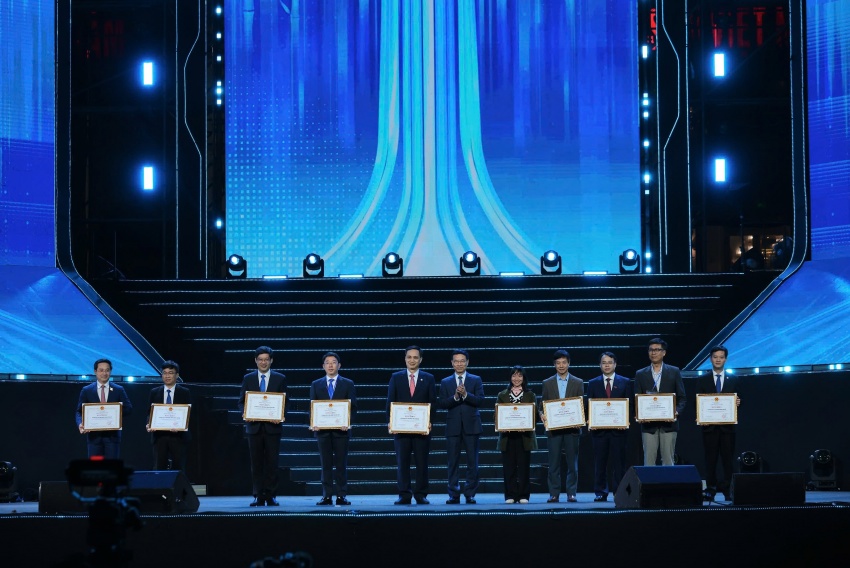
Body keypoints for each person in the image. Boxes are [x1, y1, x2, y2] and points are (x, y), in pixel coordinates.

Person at [238, 346, 288, 507]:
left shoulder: (280, 378)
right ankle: (258, 495)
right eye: (260, 359)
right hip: (254, 428)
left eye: (266, 359)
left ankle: (271, 495)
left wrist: (280, 416)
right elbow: (241, 402)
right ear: (256, 361)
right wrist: (245, 413)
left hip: (273, 428)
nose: (263, 362)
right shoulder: (248, 378)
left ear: (271, 361)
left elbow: (285, 402)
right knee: (256, 463)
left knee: (272, 463)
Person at [386, 345, 436, 505]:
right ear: (405, 359)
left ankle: (421, 494)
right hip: (401, 429)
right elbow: (390, 401)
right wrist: (391, 421)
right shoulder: (396, 377)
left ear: (420, 359)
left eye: (415, 357)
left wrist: (429, 421)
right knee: (402, 463)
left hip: (422, 429)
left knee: (422, 463)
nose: (412, 360)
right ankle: (404, 495)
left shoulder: (429, 378)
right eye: (409, 357)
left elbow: (432, 402)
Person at [309, 352, 357, 506]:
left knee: (341, 464)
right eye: (327, 362)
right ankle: (327, 496)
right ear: (323, 366)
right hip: (322, 431)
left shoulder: (348, 383)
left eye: (334, 362)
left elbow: (353, 407)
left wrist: (347, 422)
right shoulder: (316, 384)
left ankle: (341, 495)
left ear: (339, 365)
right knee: (326, 464)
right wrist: (314, 422)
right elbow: (312, 407)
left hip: (341, 431)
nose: (330, 365)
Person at [438, 349, 484, 504]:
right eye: (456, 361)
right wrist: (456, 397)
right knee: (452, 462)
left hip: (472, 426)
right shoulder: (445, 382)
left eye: (462, 361)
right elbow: (442, 403)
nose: (459, 364)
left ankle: (470, 493)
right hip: (453, 427)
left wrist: (465, 395)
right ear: (452, 363)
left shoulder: (475, 379)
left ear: (467, 362)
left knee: (472, 462)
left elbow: (480, 400)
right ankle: (454, 494)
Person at [586, 352, 632, 502]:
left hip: (619, 431)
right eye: (604, 362)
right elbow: (589, 405)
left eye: (610, 362)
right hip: (599, 432)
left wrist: (625, 420)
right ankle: (601, 492)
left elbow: (630, 405)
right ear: (600, 365)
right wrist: (590, 420)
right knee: (600, 463)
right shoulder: (593, 383)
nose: (607, 365)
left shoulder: (625, 382)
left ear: (615, 364)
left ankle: (620, 492)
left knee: (619, 463)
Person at [539, 349, 584, 503]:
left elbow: (580, 405)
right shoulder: (547, 383)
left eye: (564, 362)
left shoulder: (578, 382)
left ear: (569, 363)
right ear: (554, 365)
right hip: (554, 430)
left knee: (572, 464)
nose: (561, 365)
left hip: (572, 429)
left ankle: (572, 493)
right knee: (553, 464)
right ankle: (554, 493)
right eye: (558, 363)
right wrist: (542, 414)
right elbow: (542, 405)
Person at [634, 338, 686, 466]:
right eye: (651, 350)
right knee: (649, 462)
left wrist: (676, 412)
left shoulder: (674, 371)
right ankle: (649, 481)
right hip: (648, 426)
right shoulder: (640, 374)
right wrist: (638, 414)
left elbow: (682, 398)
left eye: (657, 350)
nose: (654, 353)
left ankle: (668, 481)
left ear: (664, 353)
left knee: (668, 460)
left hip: (669, 425)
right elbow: (637, 399)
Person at [698, 345, 741, 501]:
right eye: (715, 357)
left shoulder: (734, 379)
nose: (718, 360)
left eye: (721, 357)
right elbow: (698, 402)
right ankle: (710, 489)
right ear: (711, 359)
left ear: (725, 359)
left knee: (728, 460)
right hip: (709, 427)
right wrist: (701, 416)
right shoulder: (702, 379)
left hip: (728, 428)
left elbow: (740, 400)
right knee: (710, 460)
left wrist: (738, 402)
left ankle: (729, 489)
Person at [75, 358, 133, 459]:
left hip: (112, 437)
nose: (104, 373)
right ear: (95, 371)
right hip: (94, 438)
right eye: (101, 370)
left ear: (110, 371)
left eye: (107, 370)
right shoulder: (87, 390)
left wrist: (114, 412)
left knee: (112, 467)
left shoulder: (118, 389)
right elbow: (79, 411)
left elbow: (128, 409)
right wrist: (80, 424)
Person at [496, 366, 537, 504]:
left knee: (524, 467)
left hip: (524, 437)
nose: (517, 378)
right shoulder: (502, 395)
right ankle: (510, 495)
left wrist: (533, 419)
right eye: (514, 375)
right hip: (507, 437)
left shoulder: (530, 395)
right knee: (509, 467)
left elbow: (534, 415)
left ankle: (524, 495)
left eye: (520, 375)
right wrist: (502, 424)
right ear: (510, 378)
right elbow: (497, 415)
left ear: (524, 378)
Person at [145, 360, 191, 471]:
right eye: (164, 373)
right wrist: (149, 423)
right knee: (159, 468)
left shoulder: (184, 392)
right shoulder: (154, 392)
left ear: (177, 375)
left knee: (178, 469)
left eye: (170, 373)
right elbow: (149, 412)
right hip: (159, 437)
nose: (167, 376)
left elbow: (188, 414)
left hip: (178, 437)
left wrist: (181, 426)